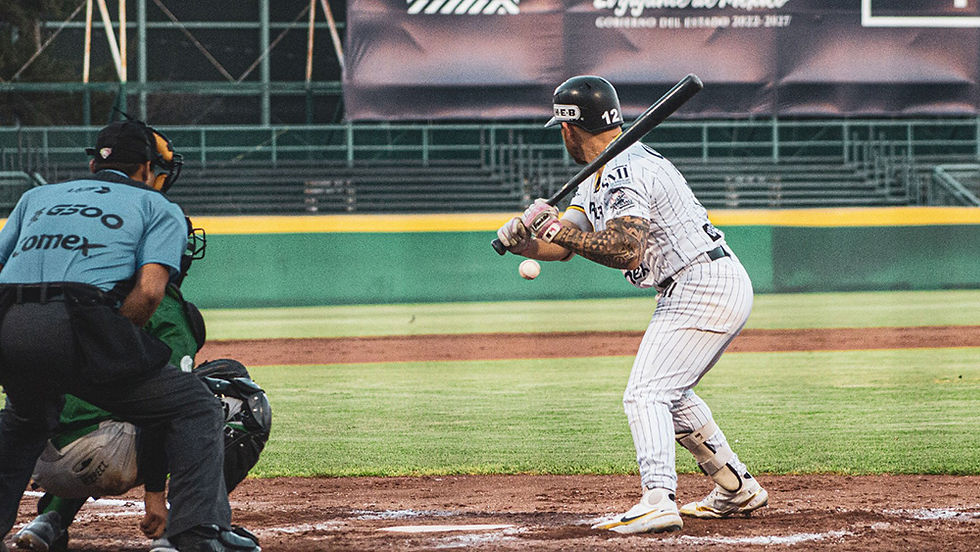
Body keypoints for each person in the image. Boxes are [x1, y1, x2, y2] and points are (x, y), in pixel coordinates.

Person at [496, 76, 768, 534]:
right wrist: (527, 242)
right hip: (693, 285)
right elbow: (566, 245)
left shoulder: (625, 170)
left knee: (646, 394)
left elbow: (626, 250)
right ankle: (736, 486)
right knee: (671, 395)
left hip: (701, 283)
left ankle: (658, 498)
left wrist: (553, 227)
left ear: (569, 128)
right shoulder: (597, 174)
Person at [0, 119, 260, 551]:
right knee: (195, 406)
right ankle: (195, 533)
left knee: (24, 420)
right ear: (145, 168)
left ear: (93, 164)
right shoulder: (157, 206)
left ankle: (39, 520)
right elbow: (151, 290)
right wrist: (112, 345)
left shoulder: (35, 198)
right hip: (79, 318)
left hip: (8, 318)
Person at [13, 226, 271, 552]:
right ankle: (190, 526)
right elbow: (168, 409)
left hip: (41, 457)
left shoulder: (87, 290)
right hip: (104, 456)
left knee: (102, 403)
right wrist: (154, 494)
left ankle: (49, 521)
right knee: (237, 398)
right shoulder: (164, 305)